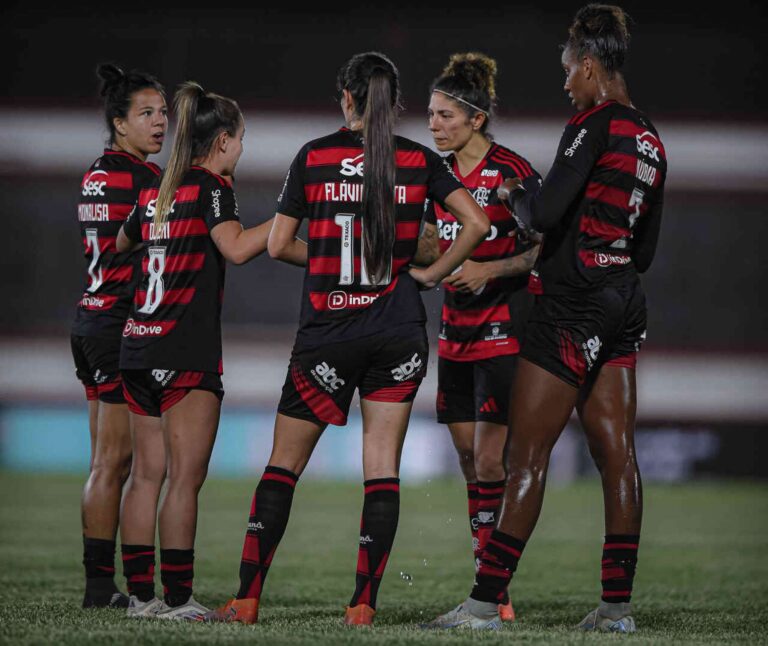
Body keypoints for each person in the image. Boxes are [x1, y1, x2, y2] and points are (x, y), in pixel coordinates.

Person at [204, 51, 490, 627]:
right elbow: (478, 223)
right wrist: (431, 274)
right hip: (398, 331)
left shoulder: (314, 156)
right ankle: (362, 606)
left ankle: (247, 600)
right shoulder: (417, 159)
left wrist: (331, 263)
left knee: (284, 466)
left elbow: (278, 245)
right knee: (381, 468)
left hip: (329, 333)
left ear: (346, 98)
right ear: (396, 102)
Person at [427, 4, 666, 632]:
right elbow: (644, 250)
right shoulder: (650, 137)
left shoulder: (592, 123)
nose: (565, 84)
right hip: (622, 299)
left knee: (525, 457)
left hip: (572, 305)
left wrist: (513, 194)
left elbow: (542, 212)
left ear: (588, 65)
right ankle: (615, 609)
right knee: (618, 454)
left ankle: (484, 604)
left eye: (566, 71)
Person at [115, 81, 291, 620]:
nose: (242, 148)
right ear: (221, 142)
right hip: (183, 353)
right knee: (184, 480)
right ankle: (178, 598)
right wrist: (293, 214)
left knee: (145, 476)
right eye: (241, 139)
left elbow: (122, 241)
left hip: (137, 346)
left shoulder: (156, 190)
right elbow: (235, 248)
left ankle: (140, 597)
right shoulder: (212, 187)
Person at [421, 52, 542, 623]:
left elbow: (545, 247)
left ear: (476, 119)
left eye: (445, 115)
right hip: (453, 334)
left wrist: (488, 269)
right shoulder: (437, 176)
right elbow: (431, 242)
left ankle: (492, 594)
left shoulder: (512, 172)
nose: (434, 124)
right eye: (430, 114)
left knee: (492, 459)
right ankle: (487, 584)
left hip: (504, 330)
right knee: (470, 459)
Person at [71, 62, 167, 609]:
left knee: (104, 462)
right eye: (146, 113)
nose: (160, 123)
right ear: (119, 123)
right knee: (117, 464)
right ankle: (101, 588)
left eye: (163, 113)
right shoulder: (143, 180)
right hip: (117, 326)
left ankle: (99, 584)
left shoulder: (95, 173)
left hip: (89, 318)